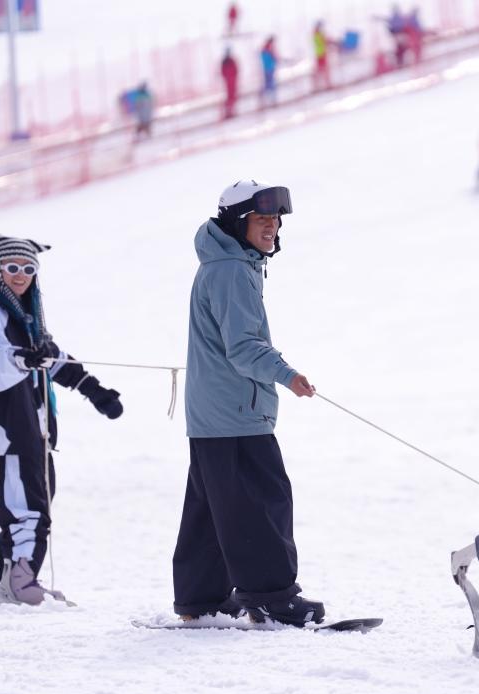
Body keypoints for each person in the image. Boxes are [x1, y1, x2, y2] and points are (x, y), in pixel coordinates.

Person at [173, 179, 325, 627]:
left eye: (275, 218)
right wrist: (288, 375)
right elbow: (242, 348)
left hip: (214, 415)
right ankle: (273, 598)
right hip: (235, 414)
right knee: (261, 502)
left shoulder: (229, 264)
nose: (272, 227)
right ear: (238, 223)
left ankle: (201, 599)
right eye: (261, 219)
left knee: (213, 506)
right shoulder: (230, 271)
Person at [0, 230, 123, 607]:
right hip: (7, 431)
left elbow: (53, 358)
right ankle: (21, 583)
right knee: (27, 512)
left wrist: (94, 390)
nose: (20, 275)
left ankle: (0, 580)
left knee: (32, 505)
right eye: (12, 267)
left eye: (27, 268)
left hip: (32, 431)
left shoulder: (27, 317)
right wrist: (23, 359)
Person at [259, 36, 279, 108]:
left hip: (270, 69)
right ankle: (268, 100)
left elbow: (275, 58)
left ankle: (271, 100)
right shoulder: (266, 50)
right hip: (268, 69)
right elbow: (272, 59)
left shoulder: (268, 50)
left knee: (270, 85)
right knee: (269, 85)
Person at [312, 21, 332, 91]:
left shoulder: (315, 34)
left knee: (320, 70)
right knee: (324, 70)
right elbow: (326, 41)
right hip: (322, 54)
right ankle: (326, 85)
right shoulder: (319, 34)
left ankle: (318, 86)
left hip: (319, 54)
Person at [221, 47, 239, 119]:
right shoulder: (226, 61)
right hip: (229, 81)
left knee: (232, 96)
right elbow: (223, 71)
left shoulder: (230, 60)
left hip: (231, 80)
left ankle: (231, 111)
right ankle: (229, 111)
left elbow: (236, 69)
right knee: (230, 96)